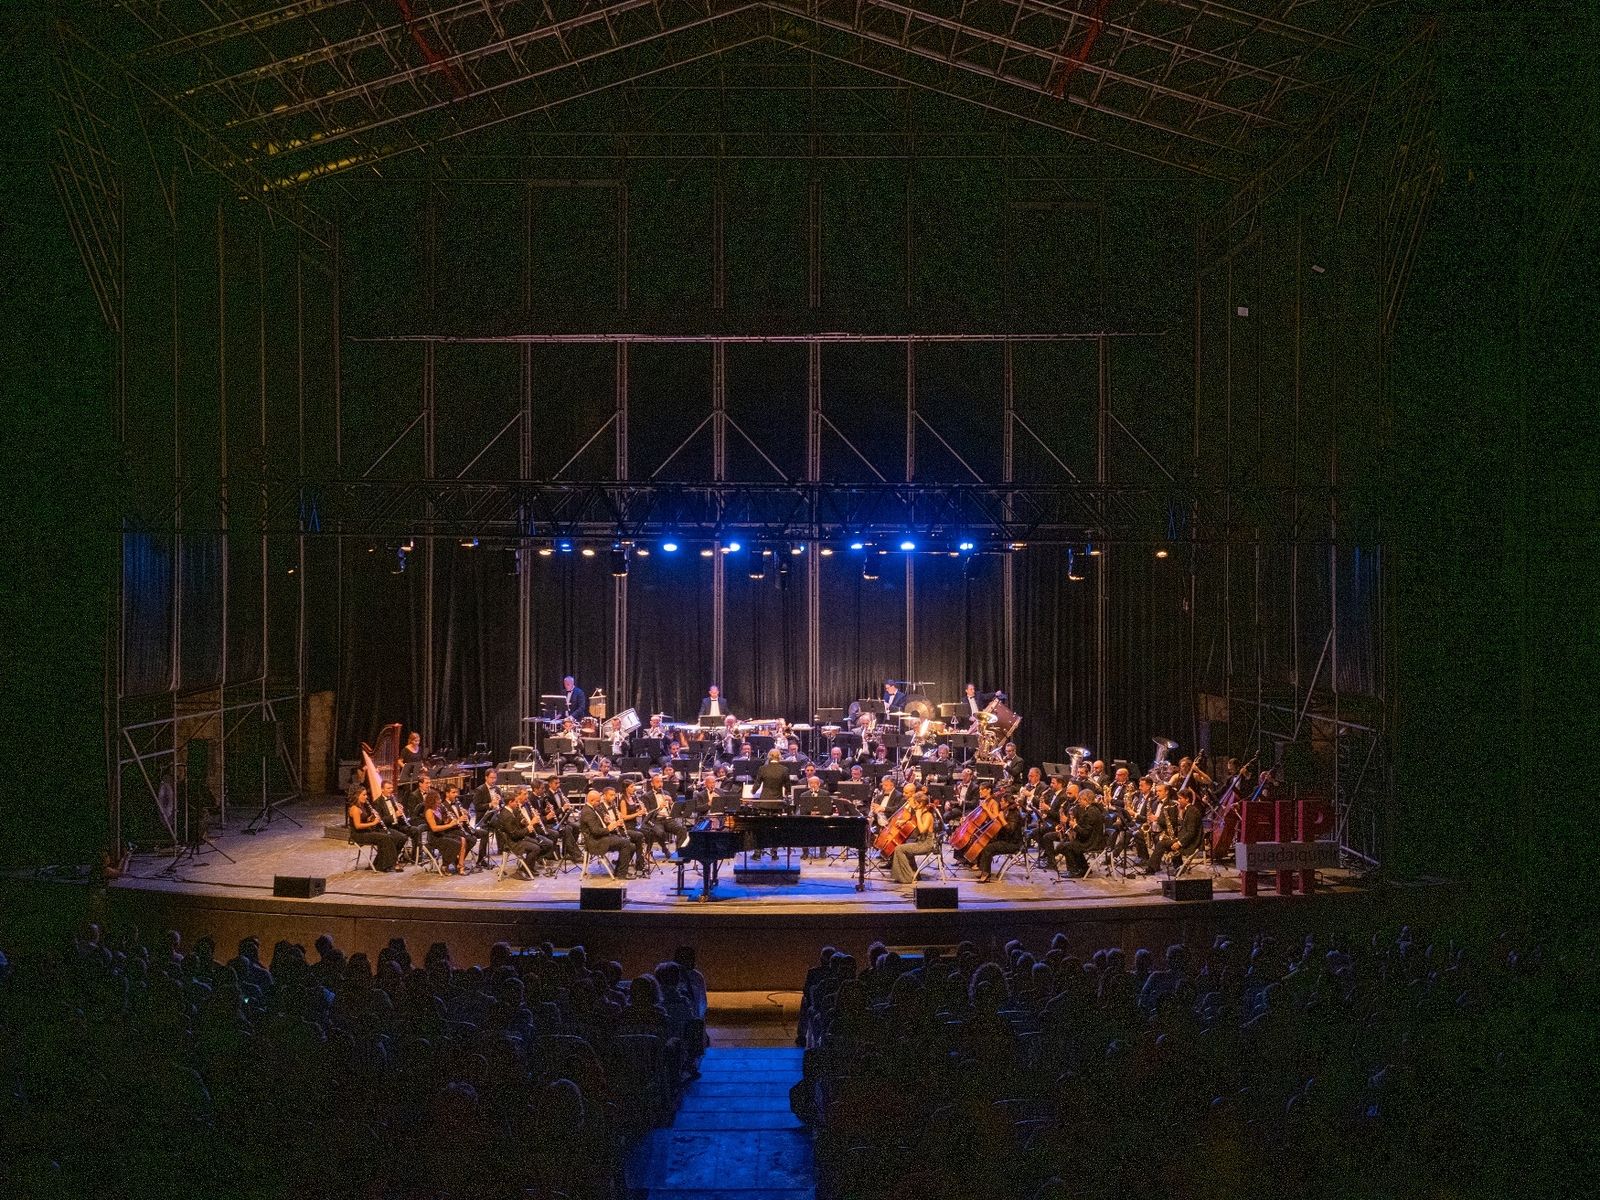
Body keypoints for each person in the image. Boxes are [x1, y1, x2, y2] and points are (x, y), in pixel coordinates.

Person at [348, 785, 407, 872]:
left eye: (366, 795)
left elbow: (363, 820)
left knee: (391, 836)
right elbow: (357, 826)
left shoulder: (362, 806)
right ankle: (385, 865)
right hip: (358, 835)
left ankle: (382, 863)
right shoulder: (355, 809)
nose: (366, 797)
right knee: (384, 838)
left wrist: (371, 818)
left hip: (366, 831)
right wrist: (373, 823)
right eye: (363, 795)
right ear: (356, 795)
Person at [578, 788, 636, 877]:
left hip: (601, 838)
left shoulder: (593, 808)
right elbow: (596, 831)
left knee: (631, 846)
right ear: (591, 801)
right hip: (596, 842)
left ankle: (619, 870)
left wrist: (606, 820)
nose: (599, 803)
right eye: (598, 801)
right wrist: (609, 828)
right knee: (625, 842)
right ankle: (622, 874)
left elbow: (598, 822)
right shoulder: (587, 812)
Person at [973, 791, 1025, 883]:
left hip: (1013, 843)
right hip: (1005, 840)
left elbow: (1010, 830)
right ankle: (983, 870)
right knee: (985, 843)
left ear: (1007, 803)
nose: (1000, 803)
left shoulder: (1014, 813)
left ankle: (986, 874)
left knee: (989, 848)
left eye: (1002, 801)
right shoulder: (1006, 811)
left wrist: (1001, 818)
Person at [890, 790, 937, 885]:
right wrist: (904, 821)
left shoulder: (928, 815)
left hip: (926, 844)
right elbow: (913, 820)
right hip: (921, 842)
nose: (913, 805)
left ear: (920, 804)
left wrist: (918, 816)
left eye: (915, 802)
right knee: (905, 848)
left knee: (899, 849)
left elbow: (922, 830)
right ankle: (914, 875)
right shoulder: (921, 812)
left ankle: (908, 877)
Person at [1060, 790, 1107, 877]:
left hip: (1092, 842)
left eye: (1080, 799)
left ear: (1086, 800)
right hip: (1090, 839)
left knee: (1066, 846)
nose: (1078, 801)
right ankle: (1083, 868)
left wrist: (1075, 826)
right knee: (1067, 844)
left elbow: (1085, 833)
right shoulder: (1090, 809)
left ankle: (1075, 871)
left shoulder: (1091, 812)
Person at [424, 789, 469, 874]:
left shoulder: (438, 809)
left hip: (443, 834)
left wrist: (450, 820)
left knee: (463, 839)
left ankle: (460, 865)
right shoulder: (429, 812)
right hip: (435, 837)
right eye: (438, 799)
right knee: (455, 843)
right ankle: (445, 865)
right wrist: (450, 825)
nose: (440, 801)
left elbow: (443, 822)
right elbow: (434, 828)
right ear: (432, 800)